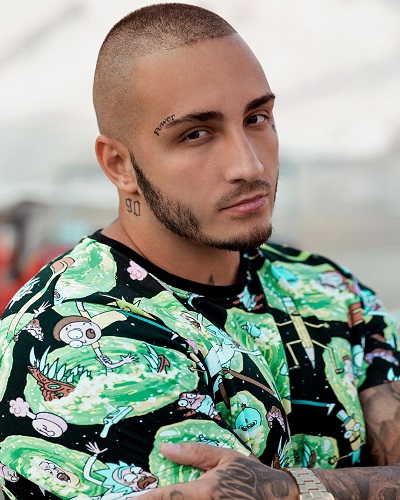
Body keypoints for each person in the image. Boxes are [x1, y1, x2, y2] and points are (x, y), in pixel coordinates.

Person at [0, 3, 399, 499]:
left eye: (257, 117)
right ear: (120, 165)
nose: (249, 165)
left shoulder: (327, 290)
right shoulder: (74, 338)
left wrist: (290, 490)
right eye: (196, 133)